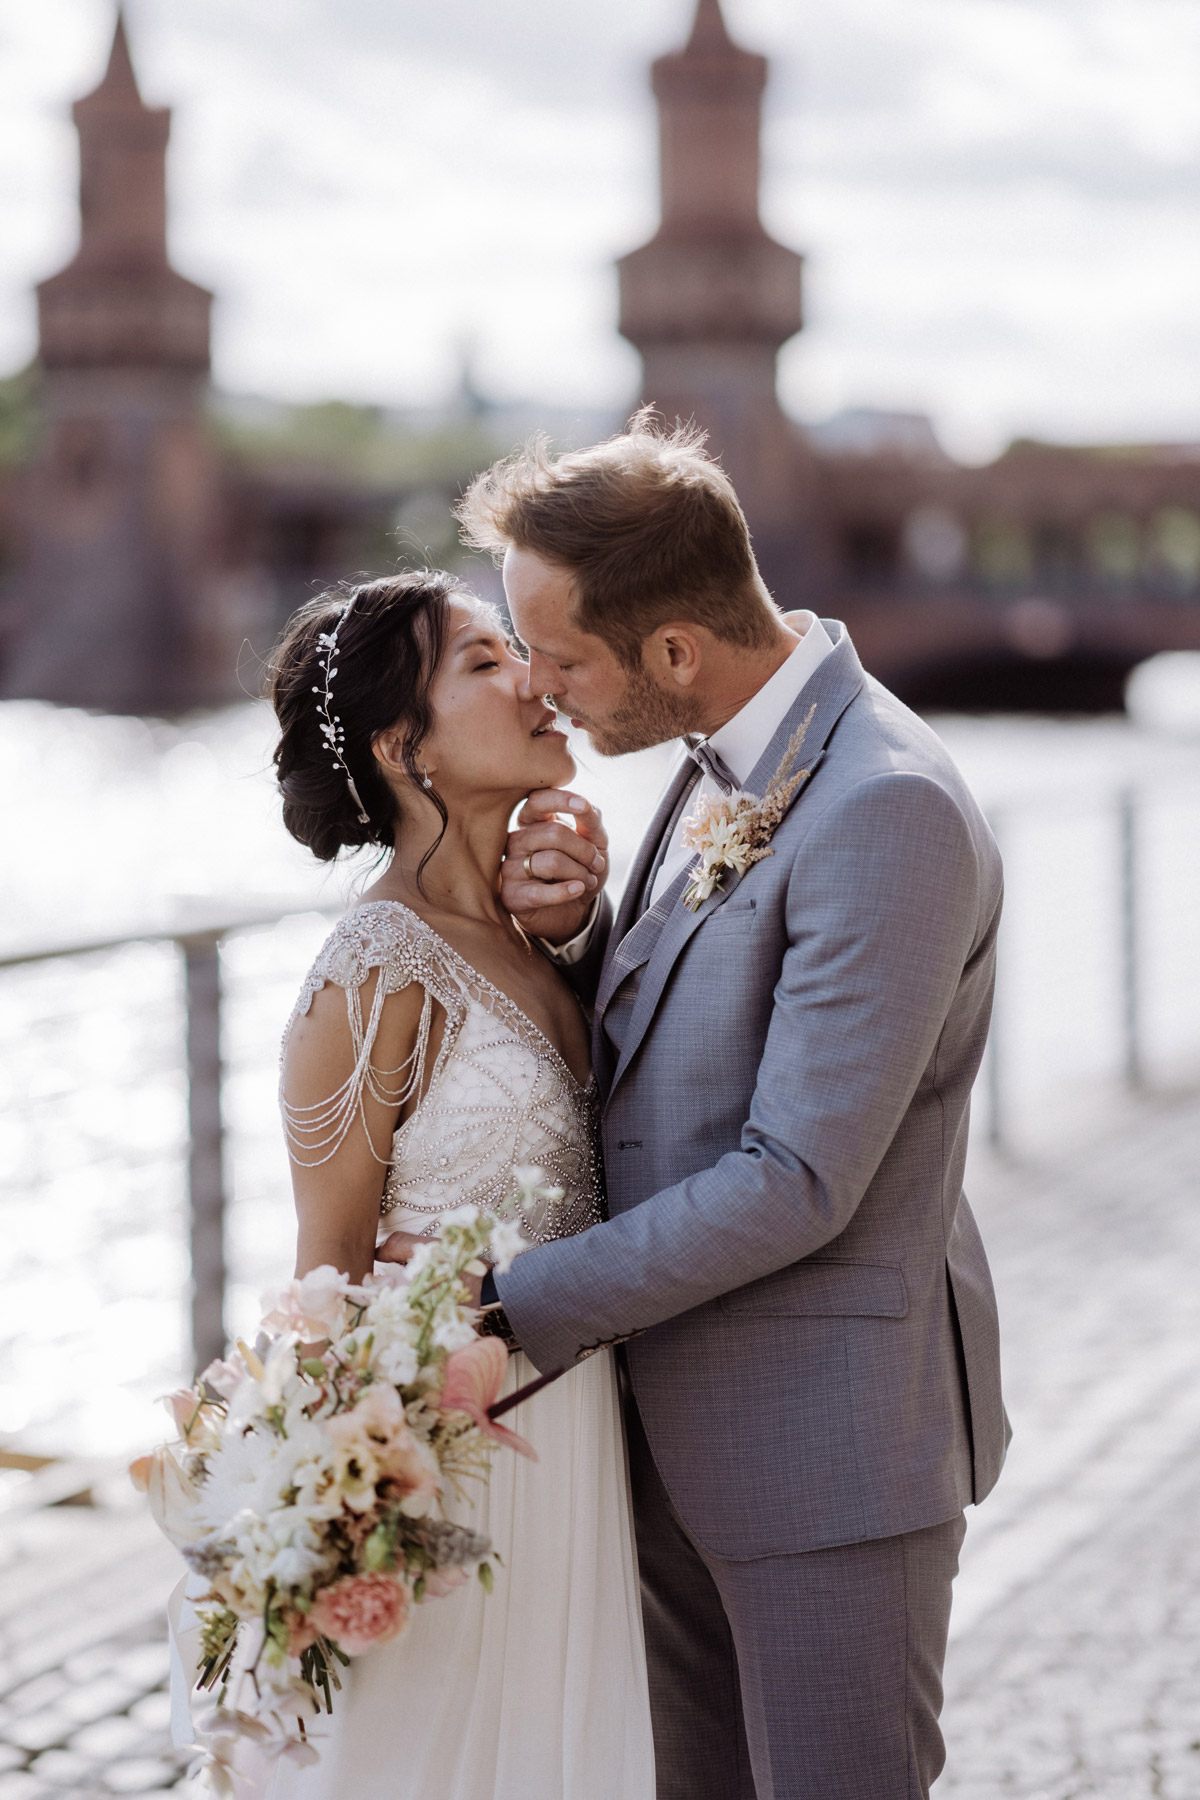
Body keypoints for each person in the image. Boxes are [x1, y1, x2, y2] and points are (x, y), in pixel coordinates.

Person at [445, 415, 1010, 1800]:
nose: (545, 690)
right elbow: (686, 1058)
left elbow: (795, 1176)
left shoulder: (885, 808)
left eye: (563, 659)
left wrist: (510, 1304)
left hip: (826, 1455)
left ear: (677, 651)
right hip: (675, 1443)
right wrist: (579, 938)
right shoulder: (723, 763)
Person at [174, 569, 655, 1800]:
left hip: (586, 1433)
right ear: (406, 748)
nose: (536, 681)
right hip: (460, 1475)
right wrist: (340, 1526)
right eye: (487, 664)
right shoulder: (374, 972)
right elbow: (323, 1283)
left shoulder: (544, 936)